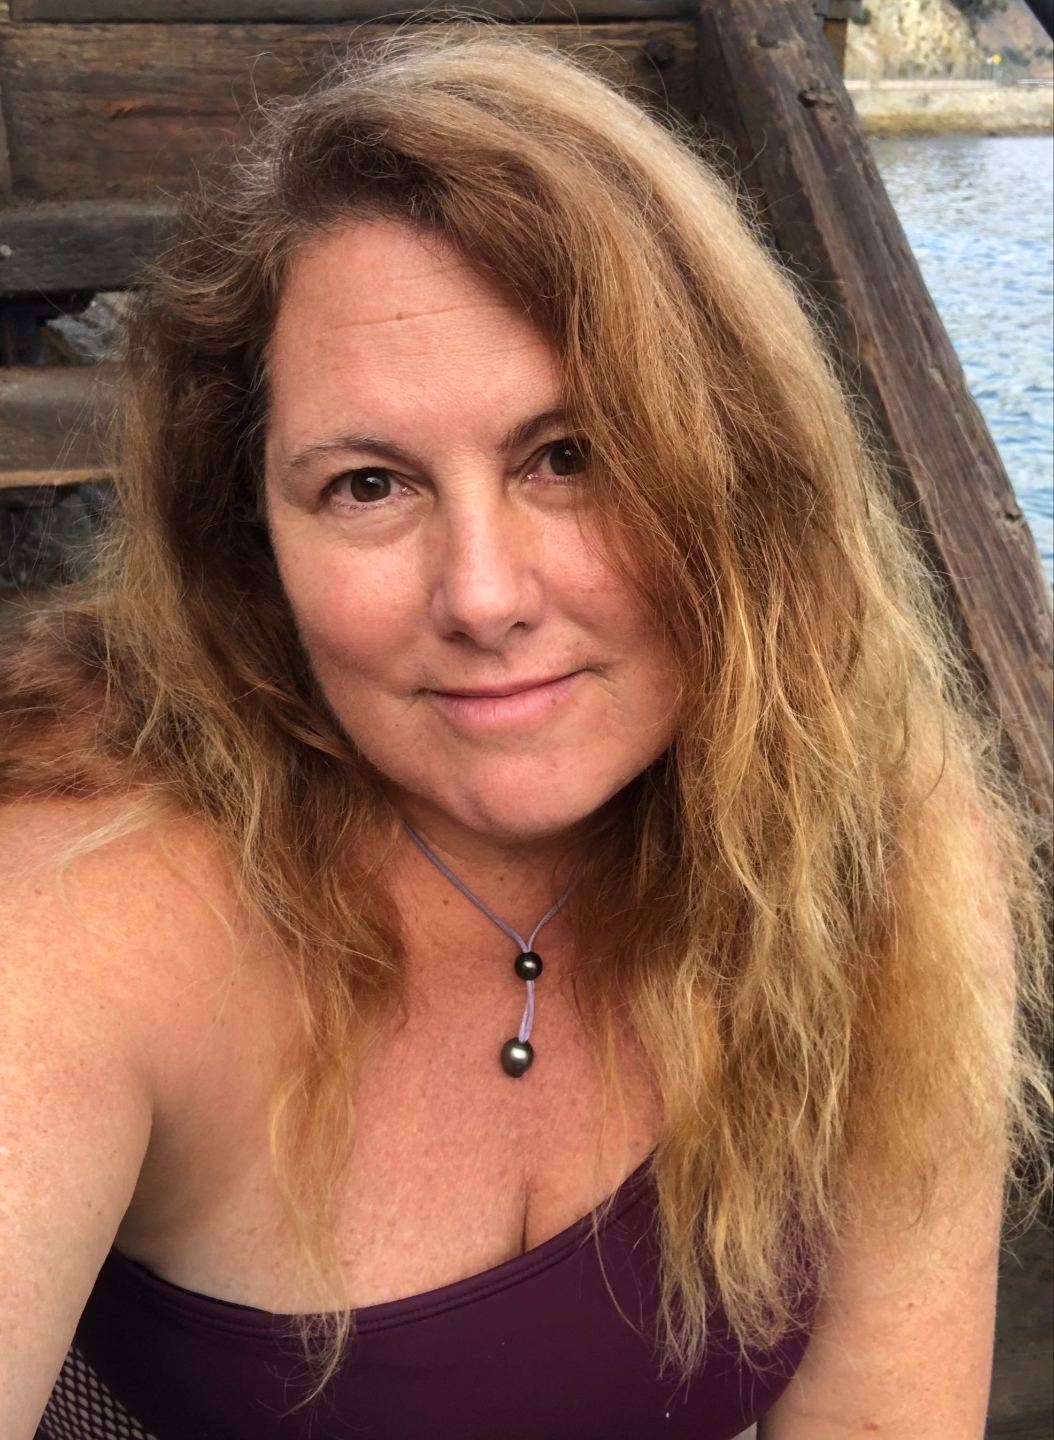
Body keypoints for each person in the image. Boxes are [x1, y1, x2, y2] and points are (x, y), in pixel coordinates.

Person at [1, 26, 1049, 1440]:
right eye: (369, 485)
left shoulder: (877, 839)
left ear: (744, 477)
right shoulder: (85, 886)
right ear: (247, 534)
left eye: (571, 457)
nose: (484, 597)